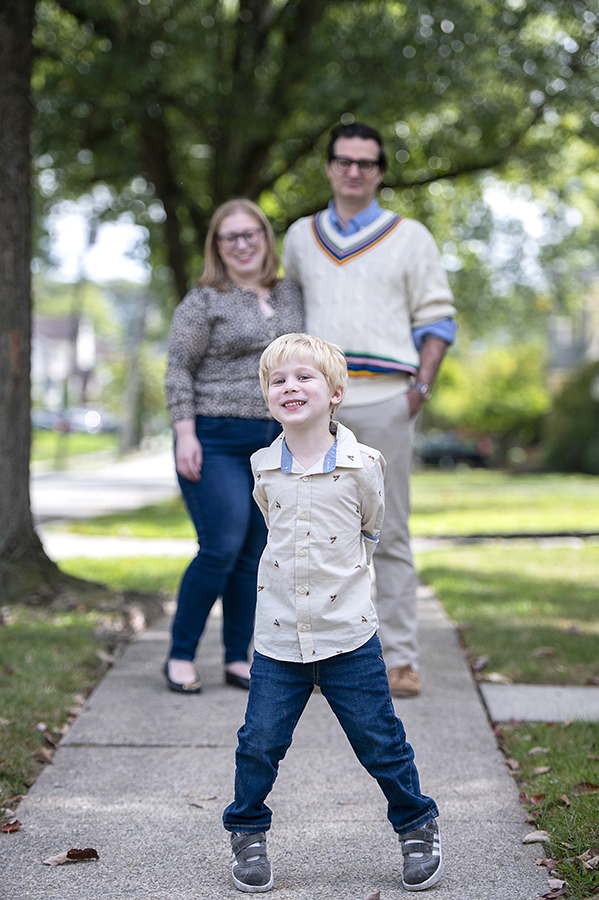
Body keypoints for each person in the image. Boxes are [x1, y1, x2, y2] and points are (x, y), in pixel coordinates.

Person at [222, 333, 442, 894]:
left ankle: (417, 824)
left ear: (336, 392)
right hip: (277, 638)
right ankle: (246, 829)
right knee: (259, 743)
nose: (290, 387)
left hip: (349, 636)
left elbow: (371, 528)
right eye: (278, 380)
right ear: (267, 397)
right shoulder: (262, 466)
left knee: (380, 740)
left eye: (304, 377)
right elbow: (274, 526)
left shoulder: (364, 464)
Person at [282, 122, 457, 698]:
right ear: (329, 167)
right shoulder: (301, 237)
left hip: (386, 399)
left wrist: (419, 391)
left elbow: (437, 321)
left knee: (390, 531)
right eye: (343, 160)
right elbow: (288, 318)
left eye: (366, 162)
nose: (353, 170)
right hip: (315, 407)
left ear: (379, 172)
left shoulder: (411, 237)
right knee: (312, 533)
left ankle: (401, 660)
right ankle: (316, 660)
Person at [164, 199, 303, 694]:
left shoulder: (290, 293)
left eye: (251, 234)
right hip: (215, 437)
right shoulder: (204, 300)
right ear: (217, 247)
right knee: (220, 548)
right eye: (231, 237)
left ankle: (235, 657)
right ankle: (180, 654)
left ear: (265, 239)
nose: (242, 244)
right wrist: (185, 433)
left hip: (274, 443)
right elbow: (178, 366)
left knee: (253, 554)